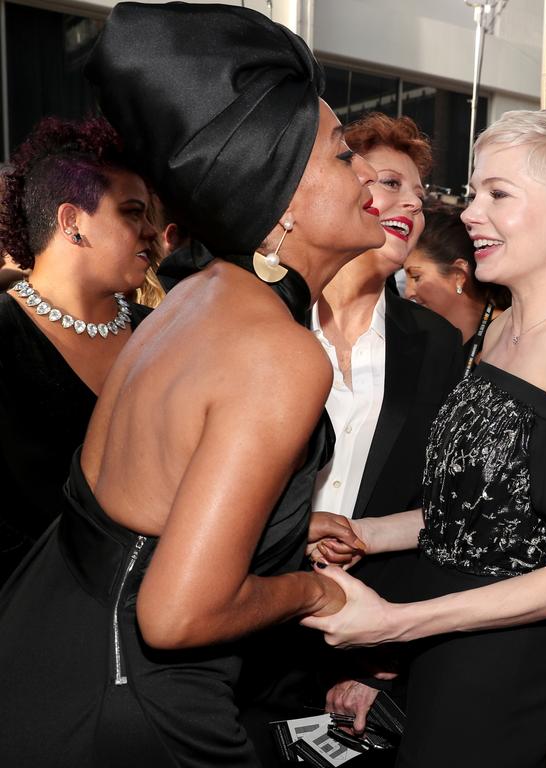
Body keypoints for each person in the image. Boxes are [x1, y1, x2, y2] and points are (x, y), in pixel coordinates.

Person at [0, 4, 384, 766]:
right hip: (130, 696)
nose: (369, 174)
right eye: (343, 155)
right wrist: (314, 593)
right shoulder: (278, 351)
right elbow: (176, 613)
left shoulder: (196, 299)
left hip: (48, 644)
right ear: (280, 201)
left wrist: (272, 533)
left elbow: (150, 495)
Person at [303, 108, 546, 768]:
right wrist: (364, 533)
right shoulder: (498, 330)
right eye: (472, 193)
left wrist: (392, 623)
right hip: (436, 647)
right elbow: (478, 512)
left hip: (498, 671)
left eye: (498, 194)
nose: (467, 214)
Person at [238, 112, 464, 750]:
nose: (410, 207)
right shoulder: (262, 317)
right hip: (242, 617)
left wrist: (389, 656)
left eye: (420, 197)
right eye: (390, 184)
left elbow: (447, 510)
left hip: (361, 644)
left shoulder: (440, 345)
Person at [0, 116, 153, 586]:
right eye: (132, 212)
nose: (151, 229)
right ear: (72, 222)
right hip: (28, 612)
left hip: (154, 607)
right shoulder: (4, 334)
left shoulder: (161, 333)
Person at [404, 201, 509, 371]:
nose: (408, 292)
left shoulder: (506, 336)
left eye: (416, 277)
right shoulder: (427, 336)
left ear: (458, 275)